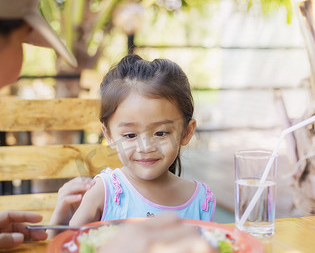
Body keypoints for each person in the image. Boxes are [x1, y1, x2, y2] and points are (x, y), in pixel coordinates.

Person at [0, 0, 216, 253]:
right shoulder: (109, 188)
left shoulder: (199, 195)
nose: (18, 71)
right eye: (21, 42)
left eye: (161, 132)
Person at [50, 55, 216, 228]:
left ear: (186, 132)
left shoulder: (200, 200)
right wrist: (59, 221)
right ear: (109, 135)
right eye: (130, 135)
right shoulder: (103, 192)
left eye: (161, 133)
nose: (146, 147)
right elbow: (68, 248)